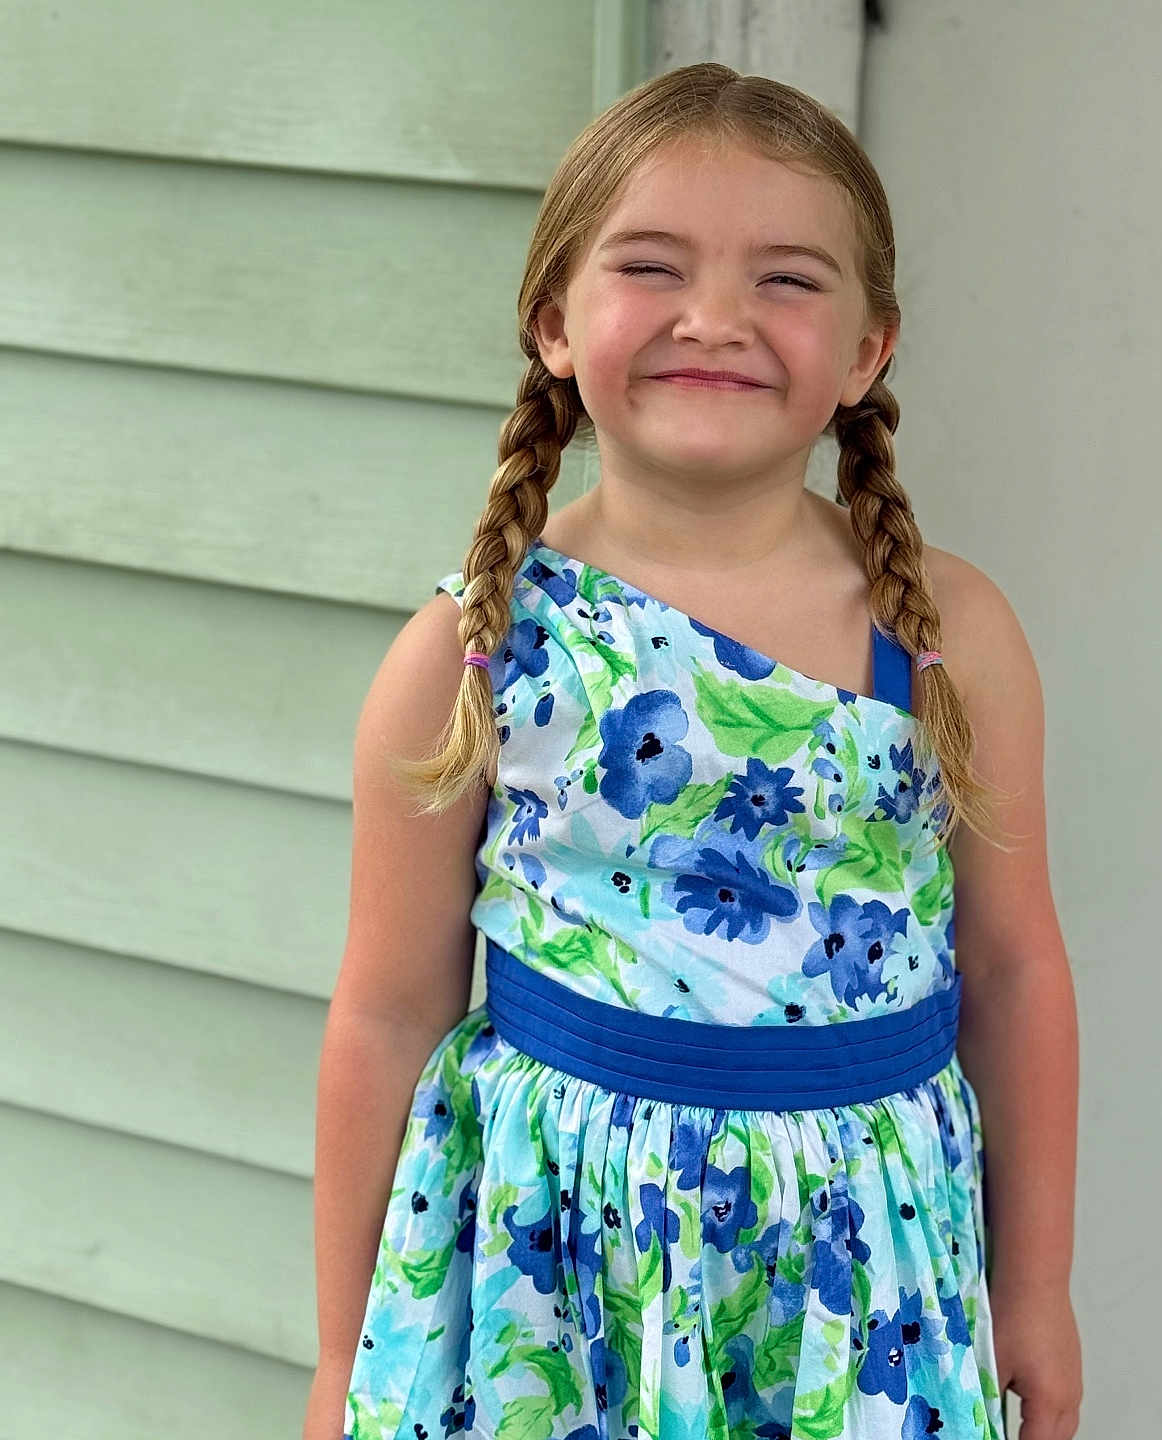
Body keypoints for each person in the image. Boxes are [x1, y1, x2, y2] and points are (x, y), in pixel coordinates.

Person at [304, 62, 1081, 1440]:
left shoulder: (948, 639)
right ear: (555, 322)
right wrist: (341, 1357)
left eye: (787, 278)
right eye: (652, 265)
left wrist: (1037, 1287)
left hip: (862, 1283)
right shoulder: (476, 652)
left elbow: (1014, 971)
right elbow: (384, 1014)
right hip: (559, 1274)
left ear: (868, 351)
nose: (715, 317)